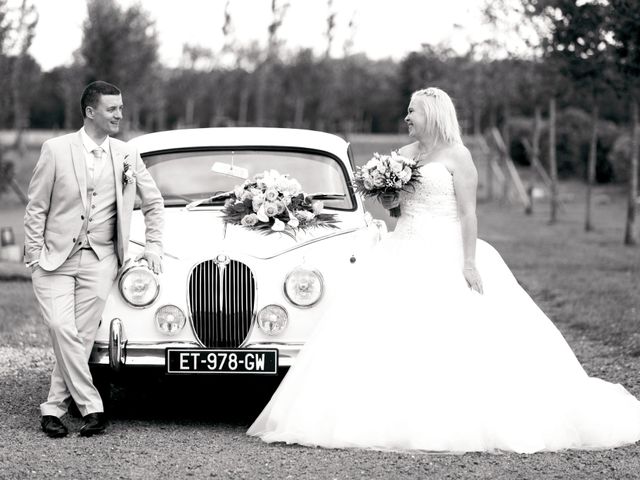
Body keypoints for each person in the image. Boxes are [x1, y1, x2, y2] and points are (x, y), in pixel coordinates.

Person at [247, 87, 640, 453]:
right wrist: (388, 195)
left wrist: (468, 262)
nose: (406, 117)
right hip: (402, 248)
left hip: (446, 249)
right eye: (407, 111)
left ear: (431, 113)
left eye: (412, 111)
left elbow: (468, 212)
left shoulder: (458, 155)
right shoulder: (403, 153)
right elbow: (397, 209)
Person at [24, 81, 164, 438]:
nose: (120, 114)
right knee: (61, 328)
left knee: (81, 338)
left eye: (121, 107)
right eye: (112, 109)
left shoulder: (127, 154)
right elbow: (36, 207)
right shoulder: (55, 149)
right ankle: (92, 406)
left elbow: (154, 202)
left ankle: (53, 410)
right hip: (54, 258)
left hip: (101, 259)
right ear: (90, 112)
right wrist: (34, 255)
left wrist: (153, 247)